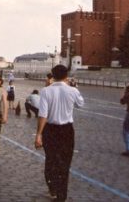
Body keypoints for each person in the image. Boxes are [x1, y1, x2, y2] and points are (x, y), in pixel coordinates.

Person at [35, 65, 84, 202]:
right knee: (65, 163)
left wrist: (39, 134)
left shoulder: (46, 91)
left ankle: (52, 187)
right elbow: (81, 104)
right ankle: (62, 195)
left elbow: (43, 114)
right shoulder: (72, 90)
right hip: (67, 130)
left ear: (53, 75)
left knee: (50, 160)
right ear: (66, 76)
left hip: (50, 129)